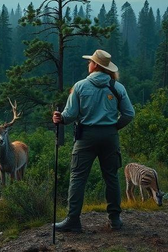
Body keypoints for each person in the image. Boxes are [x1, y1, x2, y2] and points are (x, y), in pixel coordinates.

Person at [52, 49, 135, 232]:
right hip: (110, 138)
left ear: (95, 65)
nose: (88, 64)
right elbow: (129, 114)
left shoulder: (80, 86)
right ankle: (115, 220)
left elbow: (70, 115)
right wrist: (114, 127)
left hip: (86, 137)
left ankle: (73, 220)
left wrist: (60, 118)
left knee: (78, 178)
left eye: (90, 61)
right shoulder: (117, 87)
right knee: (111, 178)